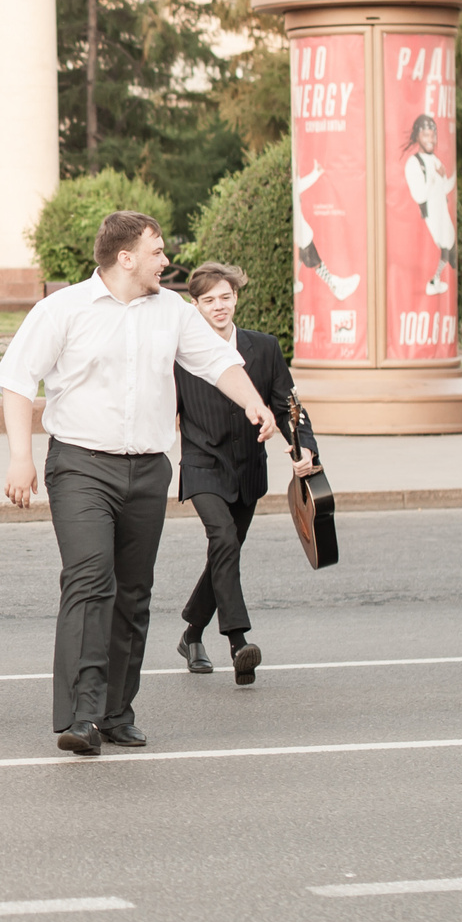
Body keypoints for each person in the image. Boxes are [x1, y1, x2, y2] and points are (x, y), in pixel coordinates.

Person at [0, 211, 277, 756]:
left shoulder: (171, 311)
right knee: (89, 581)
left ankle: (117, 712)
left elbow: (219, 361)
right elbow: (15, 380)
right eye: (157, 251)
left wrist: (255, 404)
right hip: (80, 464)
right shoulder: (62, 309)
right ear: (126, 257)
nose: (166, 260)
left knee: (133, 591)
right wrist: (18, 457)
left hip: (148, 468)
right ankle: (81, 716)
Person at [173, 262, 317, 685]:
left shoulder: (264, 348)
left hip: (248, 470)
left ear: (236, 297)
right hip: (202, 466)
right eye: (208, 300)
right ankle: (239, 642)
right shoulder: (180, 355)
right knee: (223, 539)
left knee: (226, 550)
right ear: (195, 305)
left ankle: (192, 634)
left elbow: (289, 405)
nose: (219, 306)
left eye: (225, 297)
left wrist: (302, 446)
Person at [402, 114, 459, 295]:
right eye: (426, 135)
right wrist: (435, 178)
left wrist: (448, 176)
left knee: (449, 248)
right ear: (417, 136)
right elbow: (419, 195)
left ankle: (435, 280)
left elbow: (445, 188)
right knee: (446, 248)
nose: (431, 140)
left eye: (433, 135)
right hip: (430, 218)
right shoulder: (413, 163)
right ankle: (432, 281)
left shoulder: (434, 160)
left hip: (442, 214)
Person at [293, 162, 360, 302]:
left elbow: (301, 183)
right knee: (316, 264)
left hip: (301, 237)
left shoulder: (294, 187)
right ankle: (335, 286)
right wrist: (316, 172)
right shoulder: (294, 187)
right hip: (301, 238)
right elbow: (302, 183)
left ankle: (331, 284)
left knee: (306, 263)